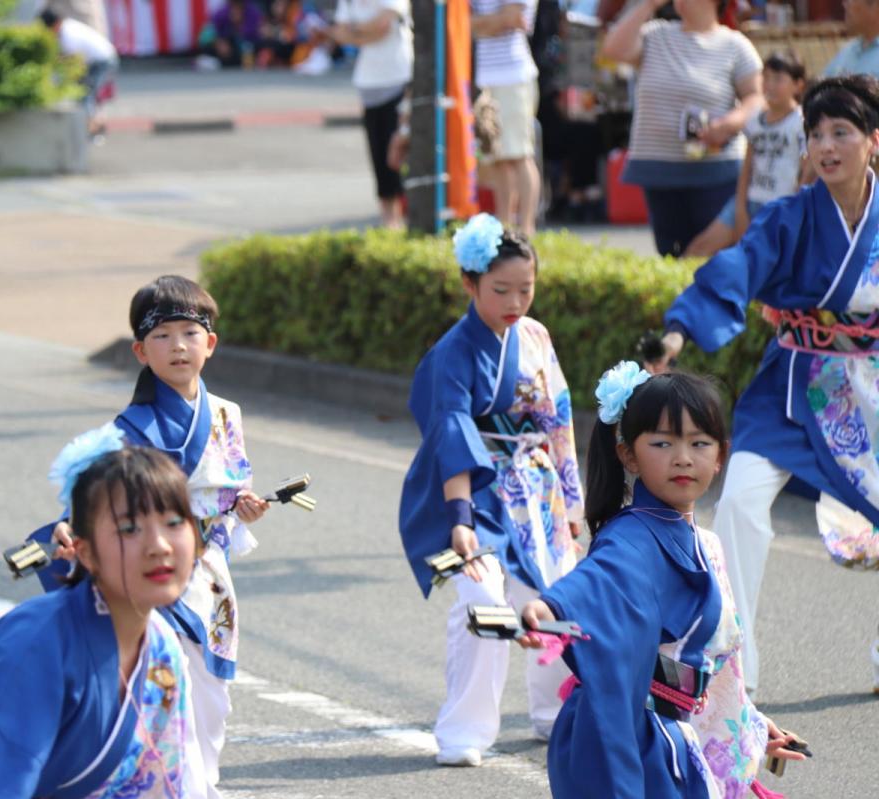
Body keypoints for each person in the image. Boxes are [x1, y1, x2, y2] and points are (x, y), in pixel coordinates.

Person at [650, 74, 879, 695]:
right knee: (739, 503)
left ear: (873, 141)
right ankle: (732, 670)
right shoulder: (790, 218)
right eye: (815, 135)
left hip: (872, 392)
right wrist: (678, 332)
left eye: (841, 132)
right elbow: (737, 266)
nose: (826, 146)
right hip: (792, 385)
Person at [519, 365, 806, 798]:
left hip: (668, 727)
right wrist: (550, 609)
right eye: (662, 443)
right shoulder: (632, 536)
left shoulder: (705, 543)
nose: (683, 458)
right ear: (628, 454)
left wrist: (748, 722)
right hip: (625, 732)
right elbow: (599, 579)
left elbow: (715, 662)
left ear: (721, 455)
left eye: (699, 443)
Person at [46, 275, 268, 799]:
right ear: (141, 352)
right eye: (163, 336)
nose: (178, 347)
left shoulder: (227, 415)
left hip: (210, 572)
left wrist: (243, 507)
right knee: (169, 686)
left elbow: (232, 484)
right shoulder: (130, 429)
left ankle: (201, 784)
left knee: (213, 695)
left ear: (209, 344)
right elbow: (94, 500)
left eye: (190, 333)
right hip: (153, 573)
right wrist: (71, 528)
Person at [0, 433, 202, 797]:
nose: (159, 545)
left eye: (175, 522)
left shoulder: (161, 645)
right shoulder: (37, 645)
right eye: (129, 528)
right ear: (85, 552)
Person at [397, 214, 583, 767]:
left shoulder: (536, 336)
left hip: (538, 488)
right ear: (469, 283)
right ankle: (464, 731)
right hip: (477, 491)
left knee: (554, 596)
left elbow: (561, 419)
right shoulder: (453, 353)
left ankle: (554, 715)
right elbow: (451, 432)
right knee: (482, 600)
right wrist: (460, 516)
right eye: (500, 290)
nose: (515, 301)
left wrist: (574, 508)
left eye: (526, 288)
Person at [601, 0, 763, 256]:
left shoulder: (735, 44)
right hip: (660, 169)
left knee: (711, 256)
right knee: (670, 253)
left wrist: (729, 124)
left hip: (716, 169)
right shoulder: (655, 34)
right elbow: (612, 49)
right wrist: (647, 5)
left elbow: (756, 98)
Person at [684, 50, 812, 258]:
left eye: (778, 79)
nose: (769, 85)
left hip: (780, 205)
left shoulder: (801, 122)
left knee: (762, 265)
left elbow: (806, 171)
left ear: (798, 85)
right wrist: (741, 208)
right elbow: (748, 166)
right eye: (766, 78)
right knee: (700, 249)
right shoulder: (756, 119)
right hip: (749, 200)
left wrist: (794, 211)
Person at [326, 0, 412, 229]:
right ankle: (389, 220)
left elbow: (382, 25)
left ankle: (404, 216)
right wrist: (367, 31)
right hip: (368, 85)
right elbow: (339, 33)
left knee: (398, 151)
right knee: (379, 154)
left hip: (398, 80)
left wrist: (356, 32)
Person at [473, 0, 543, 235]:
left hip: (513, 76)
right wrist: (494, 21)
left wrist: (483, 24)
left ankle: (526, 226)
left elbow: (513, 18)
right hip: (486, 77)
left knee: (520, 153)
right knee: (498, 156)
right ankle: (505, 225)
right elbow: (467, 24)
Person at [40, 9, 120, 139]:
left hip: (102, 62)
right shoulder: (68, 27)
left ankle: (91, 131)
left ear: (55, 24)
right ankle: (94, 126)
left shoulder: (68, 34)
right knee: (88, 95)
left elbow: (74, 62)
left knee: (86, 95)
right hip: (98, 61)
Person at [197, 0, 266, 68]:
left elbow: (257, 35)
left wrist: (239, 26)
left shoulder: (253, 13)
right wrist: (218, 43)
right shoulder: (221, 14)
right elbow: (204, 38)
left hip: (249, 49)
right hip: (227, 49)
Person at [824, 0, 879, 79]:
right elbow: (821, 87)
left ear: (875, 6)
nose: (845, 5)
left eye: (850, 0)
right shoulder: (847, 50)